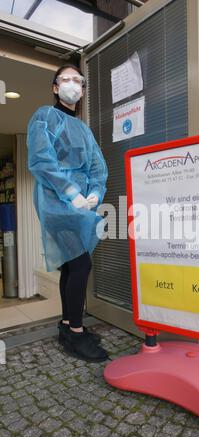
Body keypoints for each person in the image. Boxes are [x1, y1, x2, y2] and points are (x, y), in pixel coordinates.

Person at [27, 64, 109, 363]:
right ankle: (75, 333)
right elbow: (41, 161)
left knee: (71, 266)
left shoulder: (84, 128)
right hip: (55, 202)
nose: (73, 84)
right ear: (55, 87)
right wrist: (71, 192)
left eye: (78, 80)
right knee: (81, 264)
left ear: (83, 89)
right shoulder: (45, 116)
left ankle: (66, 326)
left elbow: (98, 166)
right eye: (66, 79)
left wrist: (94, 193)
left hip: (81, 206)